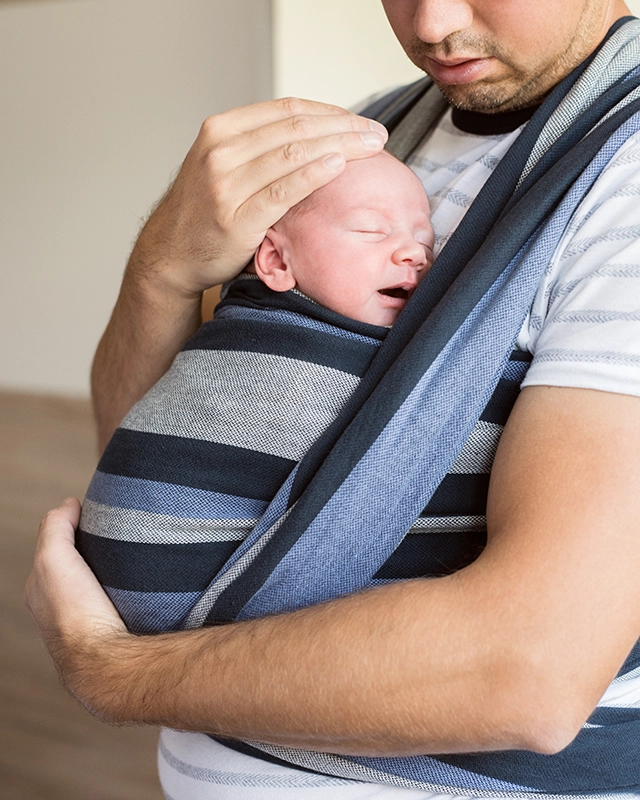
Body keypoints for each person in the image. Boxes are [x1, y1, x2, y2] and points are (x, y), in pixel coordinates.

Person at [25, 1, 640, 798]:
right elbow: (176, 449)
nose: (432, 23)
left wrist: (113, 672)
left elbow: (530, 670)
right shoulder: (364, 138)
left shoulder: (619, 178)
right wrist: (164, 264)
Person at [78, 152, 433, 636]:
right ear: (275, 260)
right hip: (192, 588)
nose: (415, 253)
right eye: (373, 231)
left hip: (146, 593)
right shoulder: (277, 353)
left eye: (425, 236)